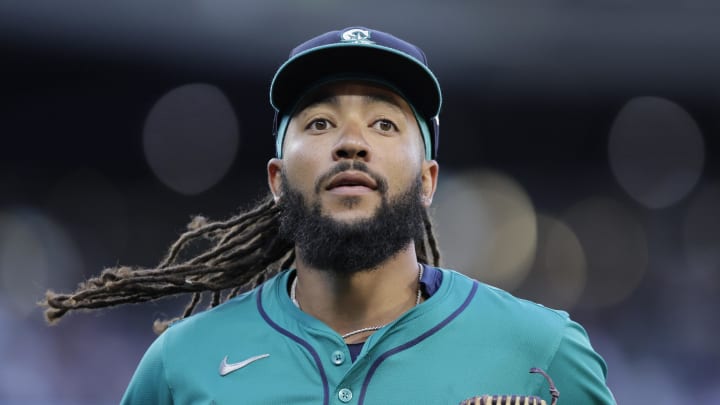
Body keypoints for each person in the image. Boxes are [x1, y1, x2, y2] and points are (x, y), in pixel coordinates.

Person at [43, 27, 615, 404]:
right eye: (319, 123)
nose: (351, 142)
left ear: (427, 182)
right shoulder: (179, 365)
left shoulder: (542, 349)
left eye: (385, 124)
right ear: (275, 181)